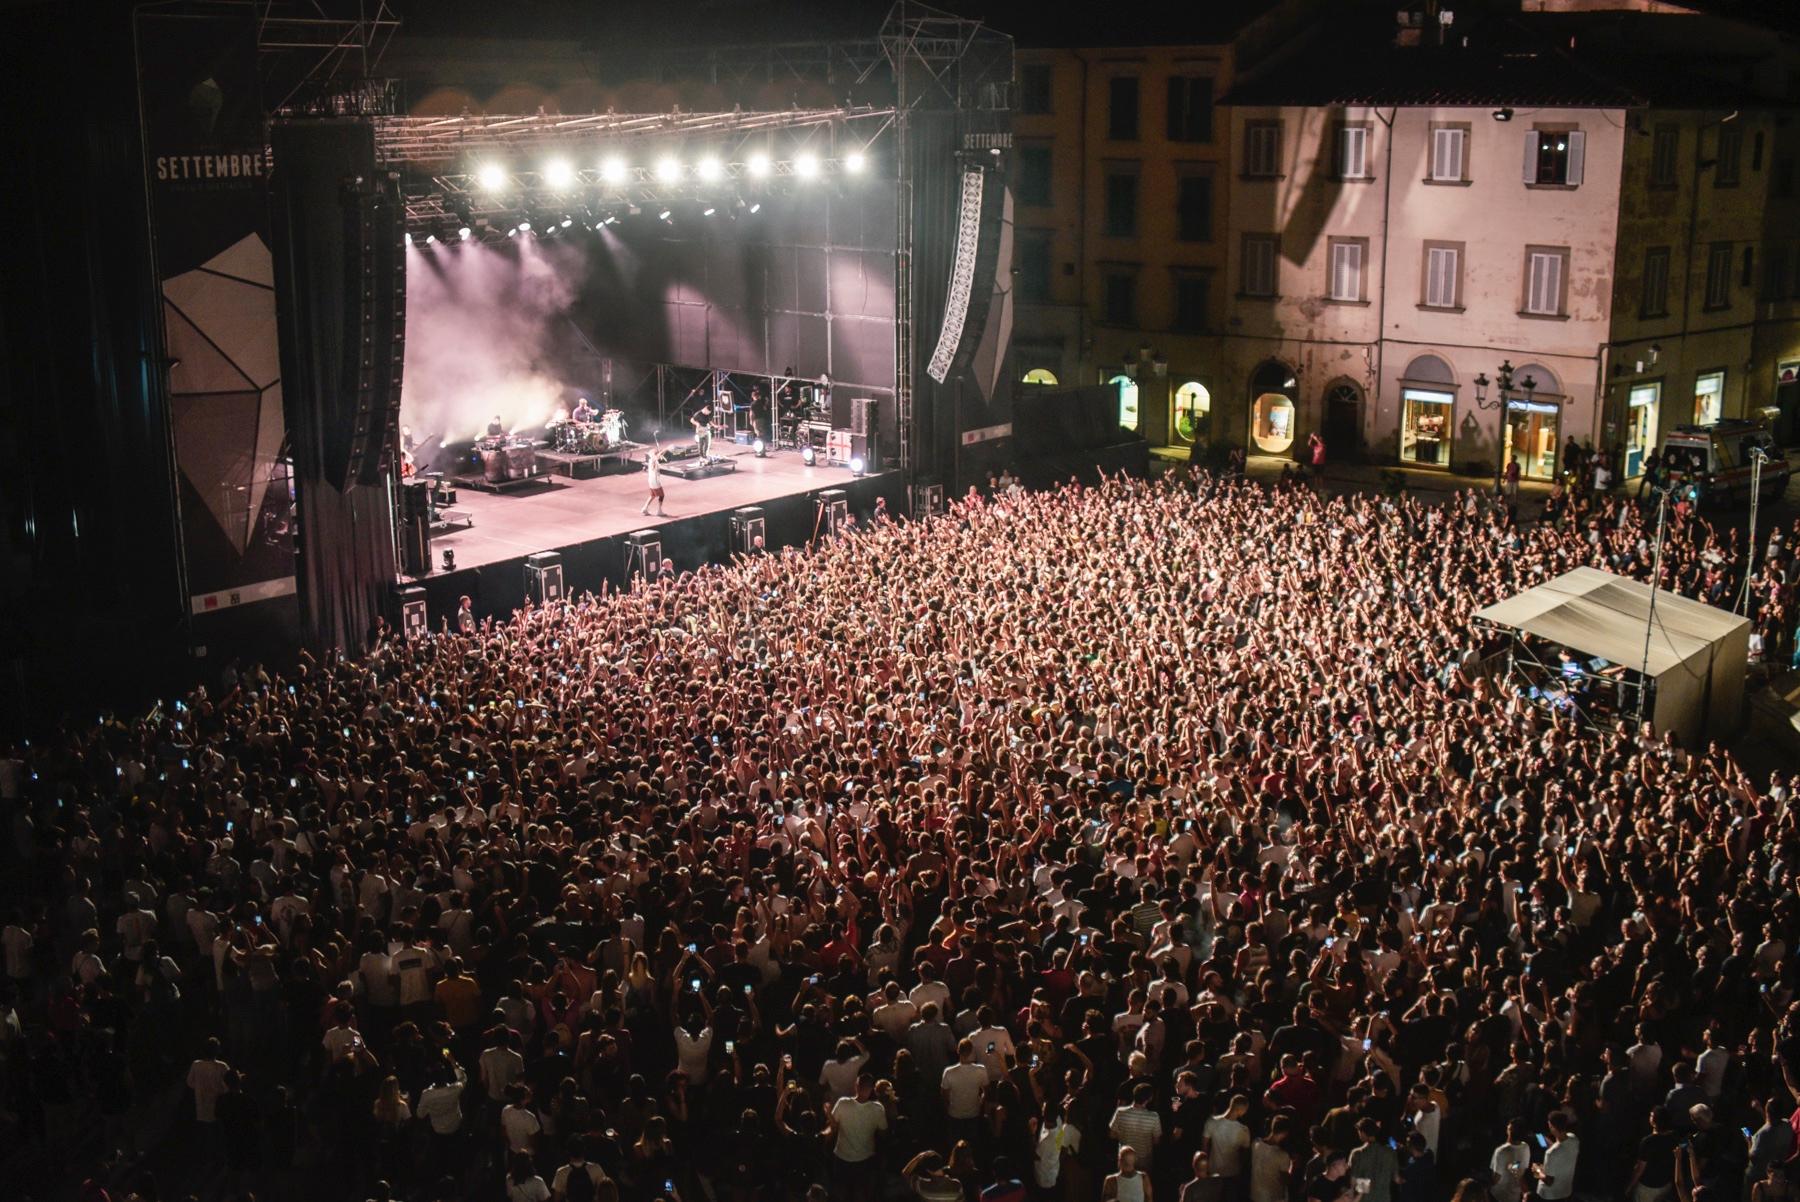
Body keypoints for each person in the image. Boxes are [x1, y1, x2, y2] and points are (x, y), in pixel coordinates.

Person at [641, 445, 666, 517]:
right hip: (655, 481)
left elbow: (658, 456)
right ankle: (659, 511)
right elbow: (657, 457)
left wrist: (661, 453)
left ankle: (645, 508)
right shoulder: (653, 460)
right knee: (661, 495)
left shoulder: (651, 460)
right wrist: (665, 449)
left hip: (651, 480)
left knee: (653, 495)